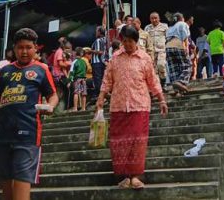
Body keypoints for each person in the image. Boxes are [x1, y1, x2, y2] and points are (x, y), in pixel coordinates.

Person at [0, 28, 58, 200]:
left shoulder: (41, 69)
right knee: (5, 186)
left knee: (22, 181)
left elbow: (53, 95)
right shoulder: (4, 72)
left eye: (29, 47)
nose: (24, 51)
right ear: (14, 48)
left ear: (36, 48)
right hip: (2, 134)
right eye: (20, 47)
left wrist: (50, 106)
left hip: (28, 134)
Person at [96, 25, 168, 190]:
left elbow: (153, 81)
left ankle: (135, 176)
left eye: (130, 41)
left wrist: (161, 100)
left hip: (140, 105)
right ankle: (124, 177)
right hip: (118, 106)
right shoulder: (115, 57)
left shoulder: (144, 58)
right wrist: (101, 98)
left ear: (136, 41)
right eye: (125, 41)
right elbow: (107, 80)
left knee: (137, 142)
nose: (127, 44)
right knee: (119, 143)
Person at [165, 12, 192, 94]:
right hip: (178, 45)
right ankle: (181, 81)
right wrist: (186, 49)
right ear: (182, 18)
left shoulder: (170, 27)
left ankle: (176, 90)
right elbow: (185, 37)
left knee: (174, 69)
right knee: (187, 65)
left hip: (168, 47)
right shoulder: (182, 24)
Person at [145, 12, 168, 85]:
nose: (154, 20)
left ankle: (163, 81)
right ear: (150, 19)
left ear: (159, 18)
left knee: (161, 65)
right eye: (152, 18)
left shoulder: (164, 27)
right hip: (151, 51)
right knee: (153, 69)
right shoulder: (147, 28)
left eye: (155, 18)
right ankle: (159, 86)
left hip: (161, 50)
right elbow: (145, 40)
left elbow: (168, 38)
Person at [51, 37, 71, 111]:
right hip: (59, 75)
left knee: (61, 92)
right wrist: (69, 64)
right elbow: (60, 64)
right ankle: (64, 108)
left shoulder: (60, 51)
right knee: (67, 90)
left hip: (59, 75)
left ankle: (60, 109)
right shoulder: (60, 51)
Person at [90, 26, 107, 100]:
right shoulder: (105, 39)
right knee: (102, 79)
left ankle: (100, 96)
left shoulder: (98, 40)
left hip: (97, 62)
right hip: (103, 62)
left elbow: (100, 52)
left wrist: (90, 51)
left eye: (97, 31)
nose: (96, 32)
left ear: (100, 32)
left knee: (97, 80)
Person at [69, 47, 88, 111]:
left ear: (75, 54)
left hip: (77, 79)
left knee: (76, 93)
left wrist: (70, 81)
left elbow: (71, 72)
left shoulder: (74, 62)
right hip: (84, 79)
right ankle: (83, 108)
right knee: (84, 93)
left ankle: (75, 108)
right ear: (82, 54)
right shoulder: (84, 62)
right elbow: (86, 69)